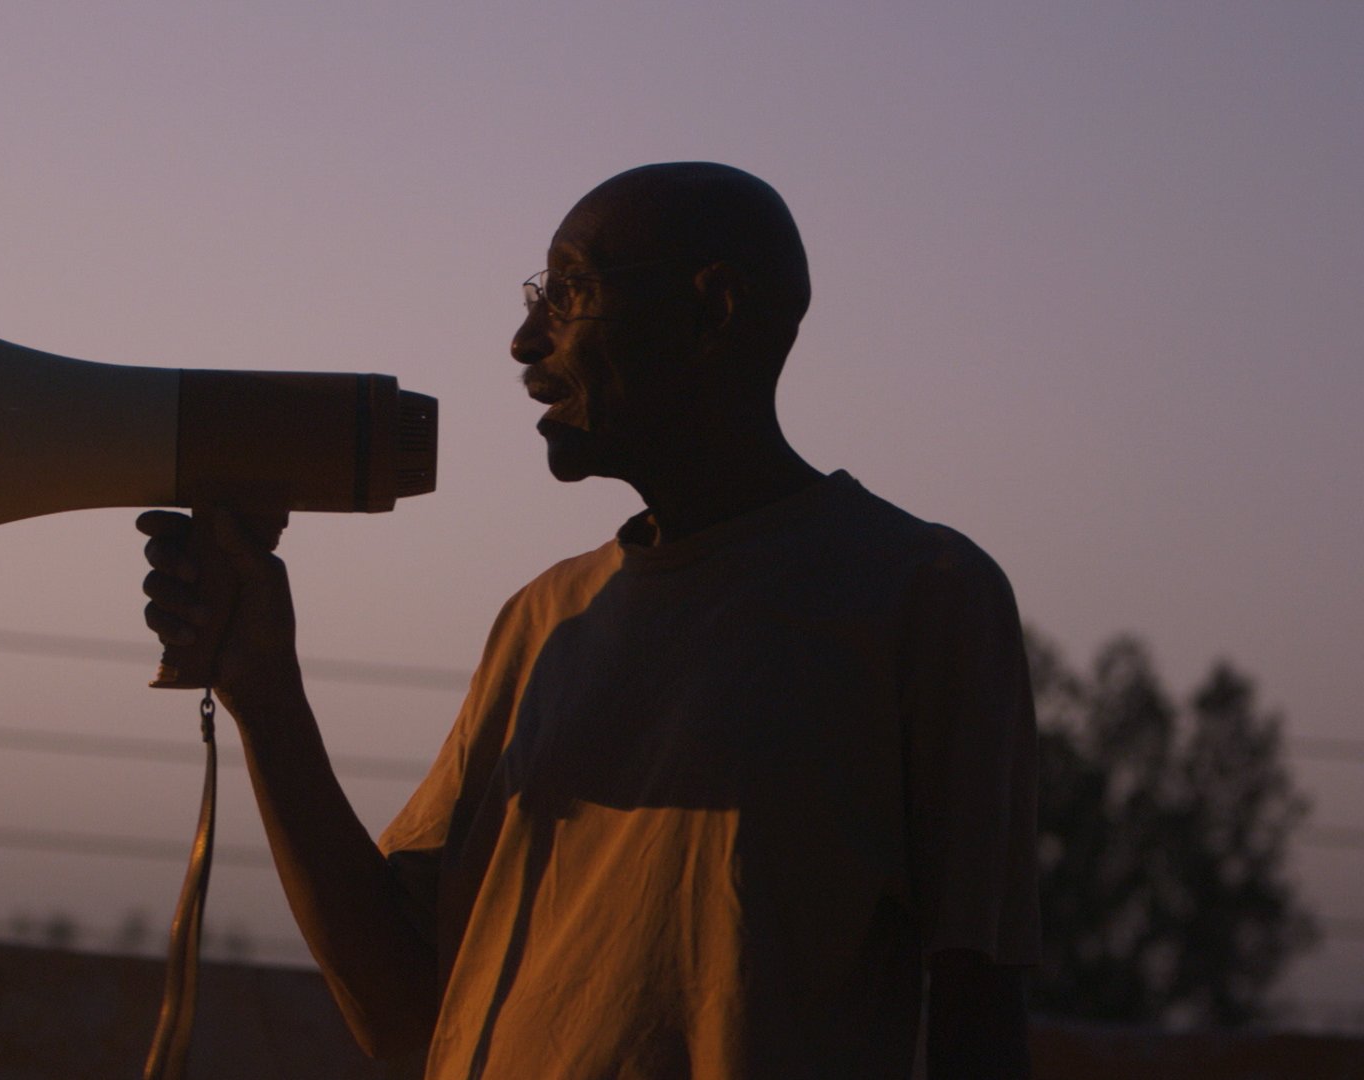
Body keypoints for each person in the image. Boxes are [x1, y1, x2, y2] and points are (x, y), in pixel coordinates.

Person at [138, 162, 1038, 1079]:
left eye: (570, 291)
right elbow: (408, 1014)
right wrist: (264, 689)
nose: (526, 341)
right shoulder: (544, 620)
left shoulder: (923, 597)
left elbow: (978, 1011)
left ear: (713, 310)